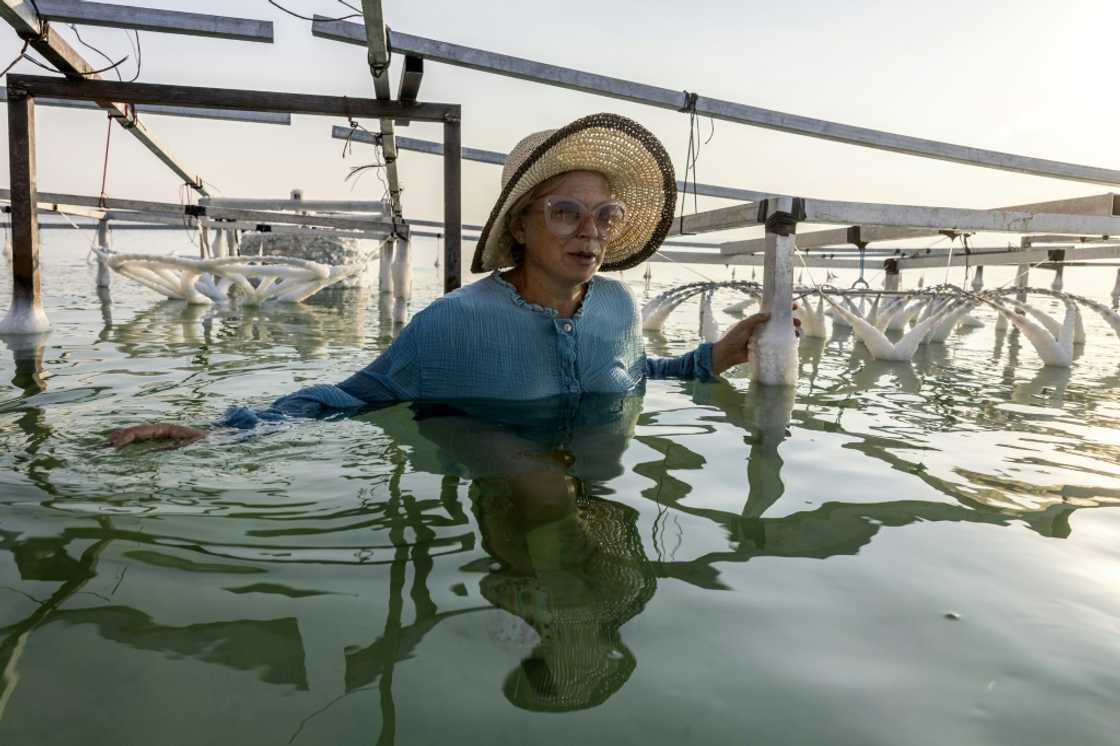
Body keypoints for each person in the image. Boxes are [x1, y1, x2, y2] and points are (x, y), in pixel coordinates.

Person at [108, 113, 790, 449]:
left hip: (598, 491)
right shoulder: (453, 323)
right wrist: (220, 431)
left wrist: (711, 359)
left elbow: (635, 374)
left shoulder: (614, 303)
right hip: (499, 471)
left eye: (606, 215)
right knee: (537, 489)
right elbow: (350, 396)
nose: (593, 231)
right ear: (519, 226)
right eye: (566, 212)